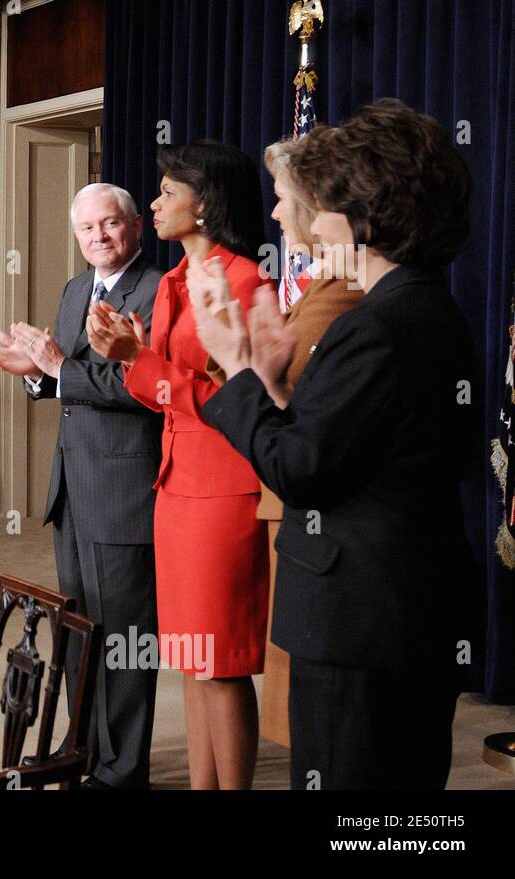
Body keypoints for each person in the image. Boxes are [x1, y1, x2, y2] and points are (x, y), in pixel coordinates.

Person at [190, 99, 478, 789]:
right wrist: (272, 385)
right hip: (405, 614)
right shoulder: (429, 307)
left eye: (328, 206)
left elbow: (301, 470)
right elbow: (354, 445)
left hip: (361, 624)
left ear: (367, 218)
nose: (312, 222)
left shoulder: (375, 326)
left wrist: (236, 369)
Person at [86, 142, 272, 789]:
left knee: (221, 665)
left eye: (168, 191)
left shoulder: (245, 282)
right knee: (191, 660)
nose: (156, 202)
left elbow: (232, 404)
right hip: (173, 487)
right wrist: (130, 358)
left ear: (207, 202)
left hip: (223, 491)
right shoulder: (170, 283)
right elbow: (162, 393)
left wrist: (138, 360)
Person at [0, 183, 163, 789]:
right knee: (80, 629)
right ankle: (81, 747)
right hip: (73, 488)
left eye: (110, 224)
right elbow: (69, 383)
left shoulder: (159, 290)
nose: (98, 237)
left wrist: (59, 367)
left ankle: (123, 770)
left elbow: (146, 389)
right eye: (87, 228)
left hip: (124, 491)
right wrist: (37, 375)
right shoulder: (75, 288)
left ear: (135, 227)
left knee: (124, 638)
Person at [202, 138, 364, 747]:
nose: (274, 213)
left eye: (282, 198)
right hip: (290, 508)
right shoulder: (324, 287)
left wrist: (232, 347)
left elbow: (284, 393)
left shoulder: (341, 294)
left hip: (311, 515)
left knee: (310, 716)